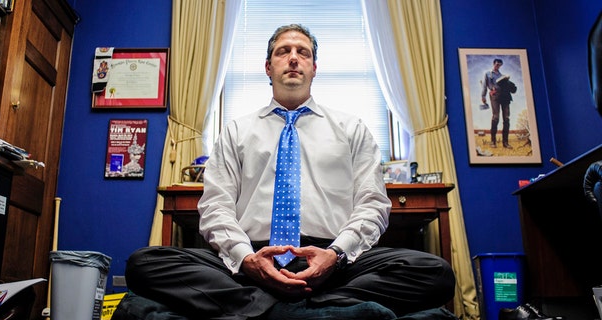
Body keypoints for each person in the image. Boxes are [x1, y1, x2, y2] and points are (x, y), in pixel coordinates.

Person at [123, 24, 456, 320]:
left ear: (314, 68)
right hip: (253, 260)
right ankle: (315, 309)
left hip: (332, 263)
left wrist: (335, 255)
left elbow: (372, 205)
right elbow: (216, 208)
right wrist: (247, 260)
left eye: (303, 53)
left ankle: (261, 308)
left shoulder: (352, 129)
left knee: (435, 272)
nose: (293, 58)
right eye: (283, 52)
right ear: (268, 67)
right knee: (144, 265)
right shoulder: (237, 131)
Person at [481, 58, 517, 149]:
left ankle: (506, 143)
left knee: (506, 118)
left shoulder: (502, 76)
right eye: (497, 64)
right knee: (495, 117)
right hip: (494, 97)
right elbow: (484, 85)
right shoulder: (487, 74)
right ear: (494, 64)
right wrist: (483, 96)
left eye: (500, 65)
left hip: (505, 97)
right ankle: (493, 142)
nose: (498, 66)